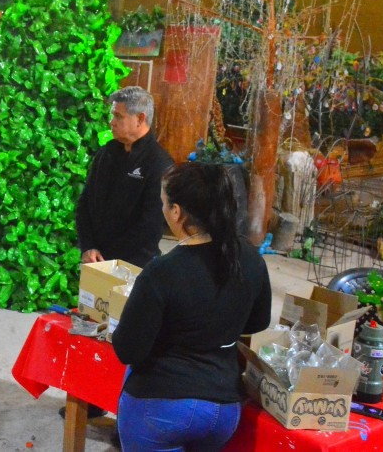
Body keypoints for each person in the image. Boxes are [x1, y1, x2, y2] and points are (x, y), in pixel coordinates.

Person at [111, 161, 272, 452]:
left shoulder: (161, 272)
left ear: (176, 211)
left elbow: (128, 350)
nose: (162, 209)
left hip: (162, 407)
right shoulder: (251, 259)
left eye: (163, 203)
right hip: (223, 412)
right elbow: (258, 322)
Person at [76, 86, 174, 268]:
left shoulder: (159, 163)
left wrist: (109, 256)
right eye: (112, 115)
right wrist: (88, 246)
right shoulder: (106, 153)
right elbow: (84, 203)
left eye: (118, 116)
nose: (111, 122)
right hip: (95, 260)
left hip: (134, 264)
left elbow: (150, 225)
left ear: (140, 119)